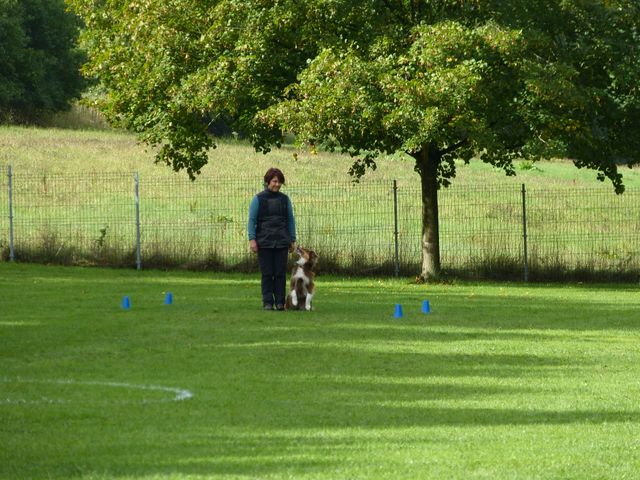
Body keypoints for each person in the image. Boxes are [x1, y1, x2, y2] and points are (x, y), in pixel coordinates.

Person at [247, 168, 296, 310]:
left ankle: (280, 302)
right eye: (275, 181)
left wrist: (292, 239)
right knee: (267, 274)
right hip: (264, 242)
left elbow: (290, 220)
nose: (277, 184)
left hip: (282, 241)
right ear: (267, 181)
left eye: (280, 182)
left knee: (280, 274)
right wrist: (252, 239)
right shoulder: (258, 199)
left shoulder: (285, 199)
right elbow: (252, 220)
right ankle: (268, 302)